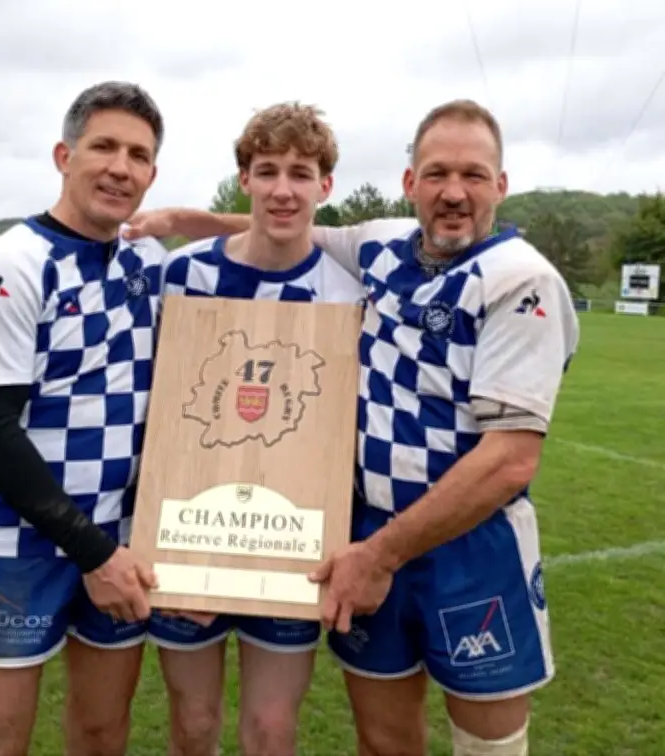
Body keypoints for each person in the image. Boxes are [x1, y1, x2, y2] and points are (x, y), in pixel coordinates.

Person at [124, 99, 580, 756]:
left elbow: (510, 460)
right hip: (363, 530)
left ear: (501, 185)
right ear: (410, 183)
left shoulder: (522, 278)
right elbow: (280, 220)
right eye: (437, 174)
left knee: (491, 747)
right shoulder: (384, 244)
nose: (454, 192)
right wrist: (178, 220)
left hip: (467, 548)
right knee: (385, 739)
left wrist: (379, 555)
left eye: (475, 176)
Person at [0, 81, 167, 756]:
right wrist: (92, 553)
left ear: (152, 174)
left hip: (122, 538)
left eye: (139, 155)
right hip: (24, 540)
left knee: (102, 734)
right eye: (104, 146)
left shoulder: (148, 261)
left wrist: (110, 552)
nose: (120, 167)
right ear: (63, 155)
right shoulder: (8, 265)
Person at [147, 102, 364, 756]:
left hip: (292, 543)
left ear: (325, 186)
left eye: (301, 173)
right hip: (189, 534)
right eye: (266, 170)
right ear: (245, 178)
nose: (282, 188)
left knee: (272, 730)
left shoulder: (349, 288)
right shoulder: (185, 276)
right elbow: (143, 392)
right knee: (194, 724)